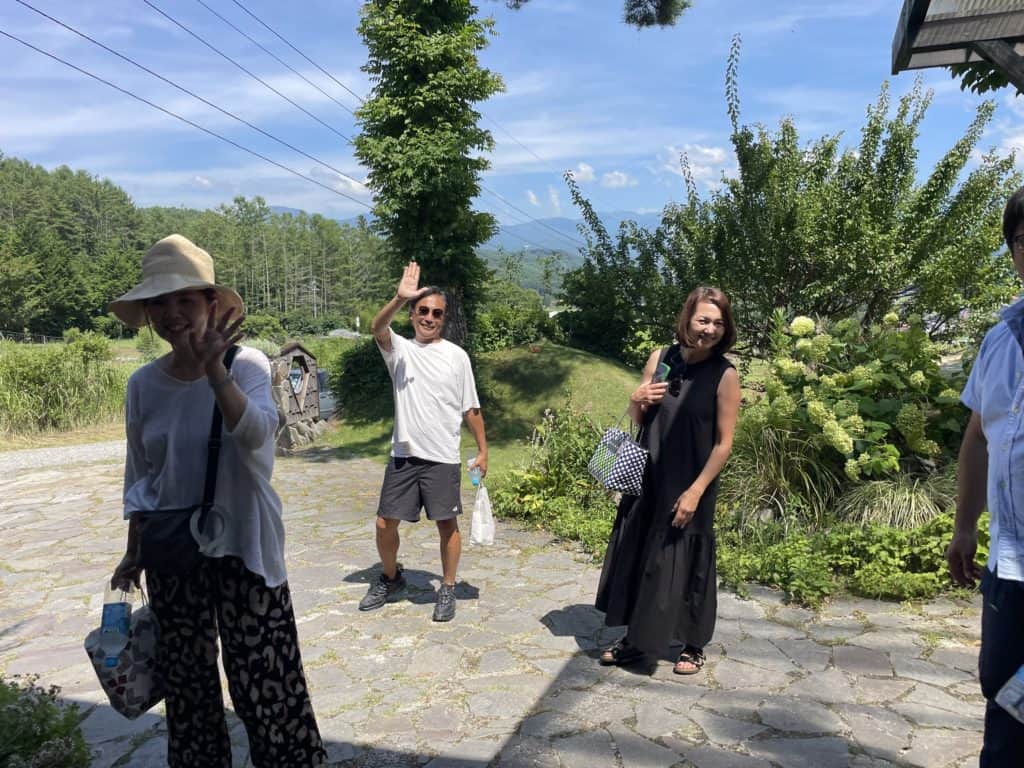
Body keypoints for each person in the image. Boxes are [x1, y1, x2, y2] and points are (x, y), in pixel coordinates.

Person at [108, 234, 325, 767]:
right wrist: (134, 549)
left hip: (246, 548)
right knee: (189, 692)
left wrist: (214, 371)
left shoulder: (246, 364)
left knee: (268, 687)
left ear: (210, 303)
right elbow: (142, 474)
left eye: (185, 299)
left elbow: (257, 438)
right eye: (159, 303)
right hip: (174, 555)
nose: (172, 314)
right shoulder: (143, 385)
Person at [595, 286, 741, 675]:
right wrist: (636, 398)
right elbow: (641, 419)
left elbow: (724, 444)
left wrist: (696, 491)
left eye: (718, 323)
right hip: (650, 475)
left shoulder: (724, 375)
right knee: (645, 552)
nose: (709, 329)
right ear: (687, 319)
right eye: (703, 320)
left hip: (693, 480)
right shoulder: (661, 358)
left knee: (687, 557)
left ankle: (692, 644)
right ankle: (636, 639)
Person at [359, 261, 488, 623]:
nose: (429, 318)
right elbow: (377, 327)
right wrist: (400, 297)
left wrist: (483, 450)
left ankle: (447, 587)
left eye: (437, 313)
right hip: (404, 455)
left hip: (442, 457)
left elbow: (471, 408)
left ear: (443, 319)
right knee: (384, 523)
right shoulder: (400, 350)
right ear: (413, 314)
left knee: (447, 525)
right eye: (423, 311)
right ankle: (390, 578)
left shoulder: (457, 357)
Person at [948, 187, 1024, 766]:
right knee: (1004, 699)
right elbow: (977, 437)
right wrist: (964, 527)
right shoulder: (999, 340)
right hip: (1009, 564)